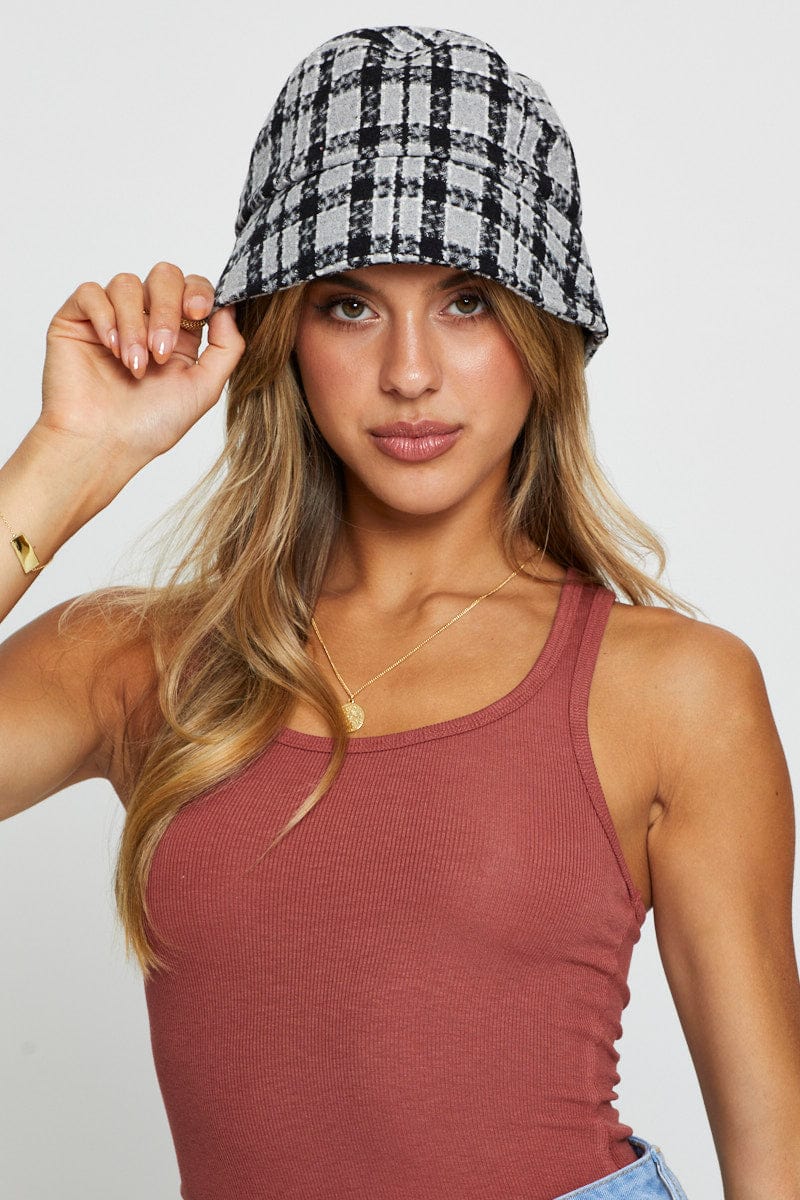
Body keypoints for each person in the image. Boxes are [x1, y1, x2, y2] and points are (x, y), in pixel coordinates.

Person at [0, 22, 797, 1200]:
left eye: (467, 300)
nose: (410, 372)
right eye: (349, 306)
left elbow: (776, 1159)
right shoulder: (138, 662)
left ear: (543, 334)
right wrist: (72, 458)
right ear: (283, 333)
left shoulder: (670, 688)